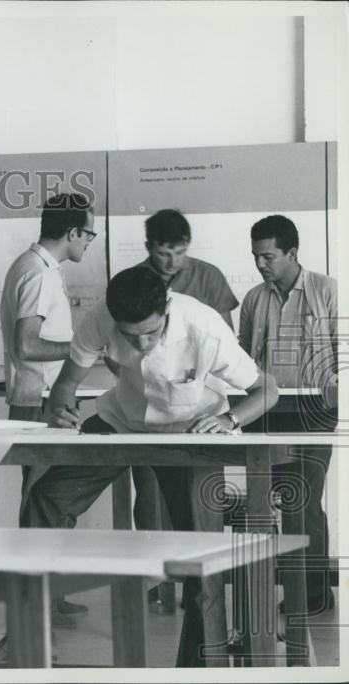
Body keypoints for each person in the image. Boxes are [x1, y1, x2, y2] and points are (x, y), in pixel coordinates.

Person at [38, 267, 278, 667]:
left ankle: (202, 667)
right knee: (46, 499)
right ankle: (33, 637)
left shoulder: (204, 325)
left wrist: (229, 421)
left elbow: (265, 389)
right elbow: (65, 385)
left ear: (167, 307)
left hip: (190, 434)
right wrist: (59, 410)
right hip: (121, 423)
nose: (143, 343)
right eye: (132, 337)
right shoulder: (99, 318)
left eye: (152, 333)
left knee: (202, 553)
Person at [129, 208, 240, 605]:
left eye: (179, 252)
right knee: (150, 498)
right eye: (163, 253)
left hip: (201, 406)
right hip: (150, 407)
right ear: (149, 249)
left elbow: (227, 341)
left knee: (202, 500)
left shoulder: (208, 276)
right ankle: (155, 583)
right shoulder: (135, 283)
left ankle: (203, 596)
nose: (172, 262)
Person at [0, 191, 96, 628]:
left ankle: (48, 596)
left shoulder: (39, 267)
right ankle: (33, 599)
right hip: (40, 403)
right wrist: (85, 351)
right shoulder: (37, 272)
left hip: (44, 399)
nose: (90, 241)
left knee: (46, 501)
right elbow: (27, 344)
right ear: (72, 231)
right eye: (89, 233)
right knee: (41, 500)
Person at [238, 214, 338, 614]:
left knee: (305, 500)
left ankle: (313, 595)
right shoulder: (253, 299)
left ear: (292, 253)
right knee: (273, 501)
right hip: (267, 411)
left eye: (268, 256)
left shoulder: (328, 291)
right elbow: (243, 361)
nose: (261, 264)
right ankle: (287, 587)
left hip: (315, 411)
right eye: (256, 257)